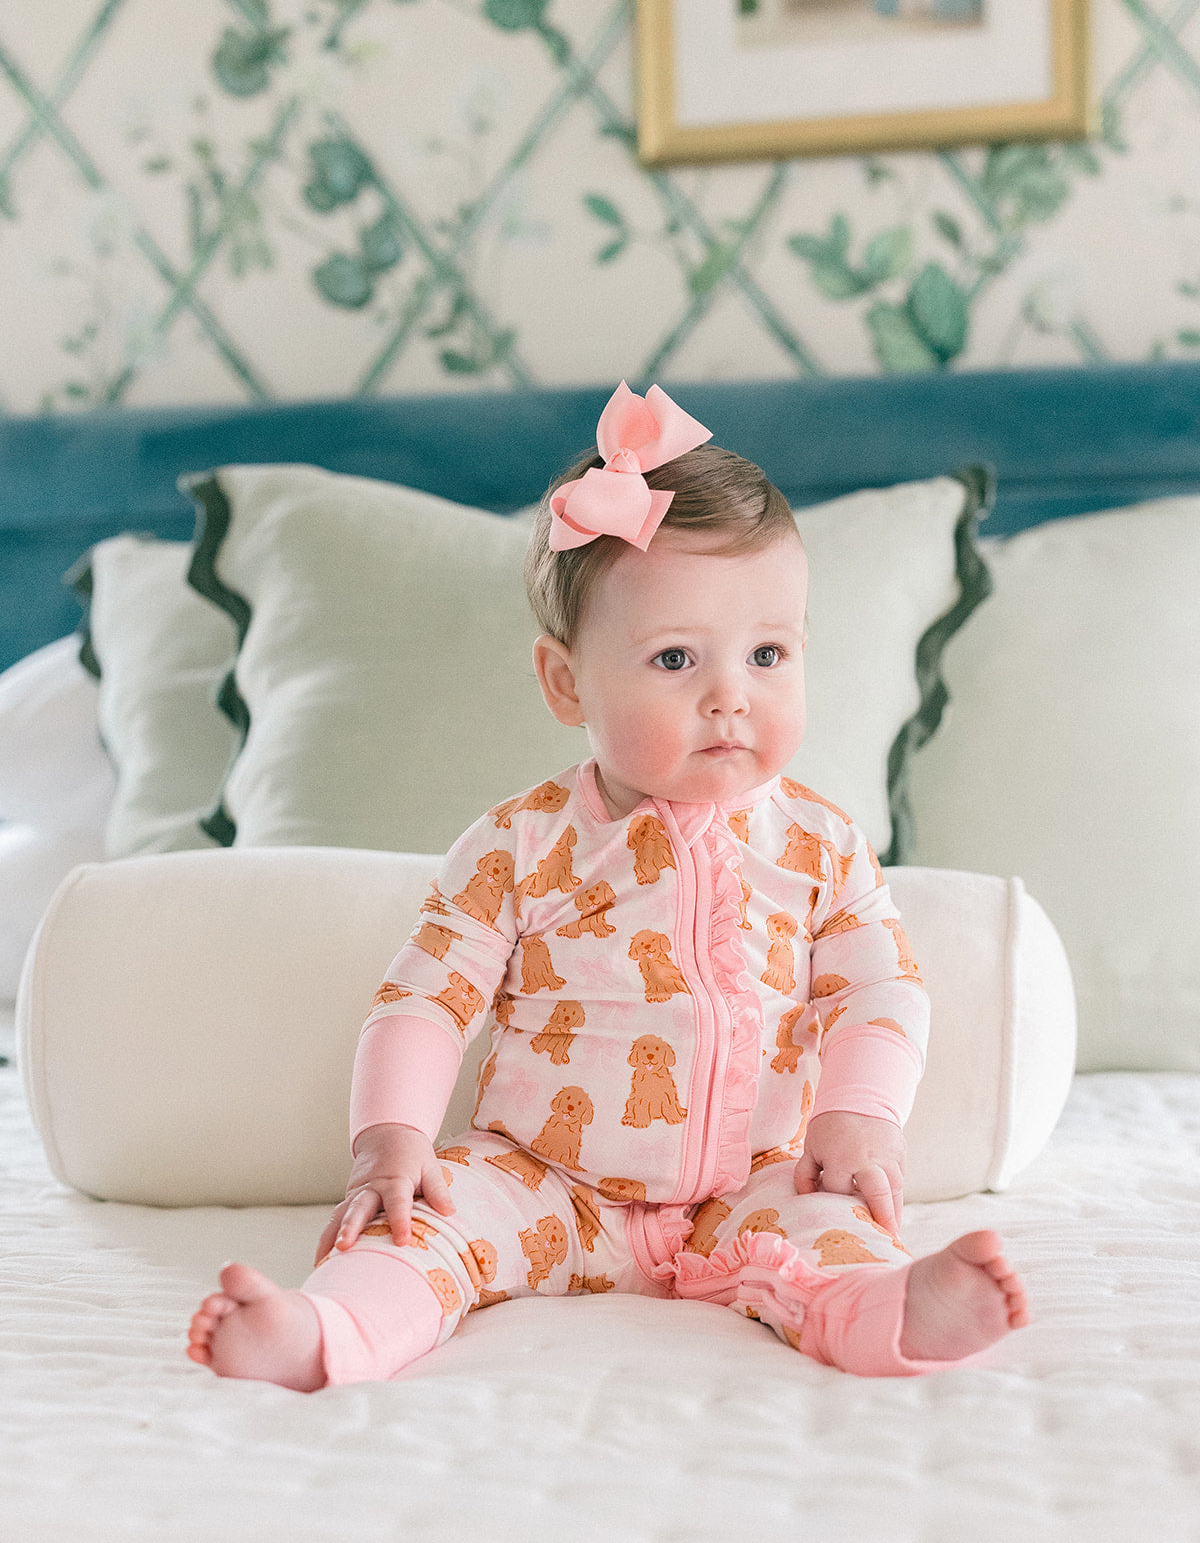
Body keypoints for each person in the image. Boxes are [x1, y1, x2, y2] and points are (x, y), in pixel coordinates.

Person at [187, 381, 1028, 1391]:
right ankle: (326, 1328)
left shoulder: (822, 846)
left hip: (754, 1178)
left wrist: (861, 1114)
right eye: (675, 658)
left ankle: (894, 1310)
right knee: (427, 1218)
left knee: (831, 1228)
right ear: (566, 682)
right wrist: (390, 1141)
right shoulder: (521, 845)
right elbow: (426, 997)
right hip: (545, 1180)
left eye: (768, 653)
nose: (731, 695)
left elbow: (881, 988)